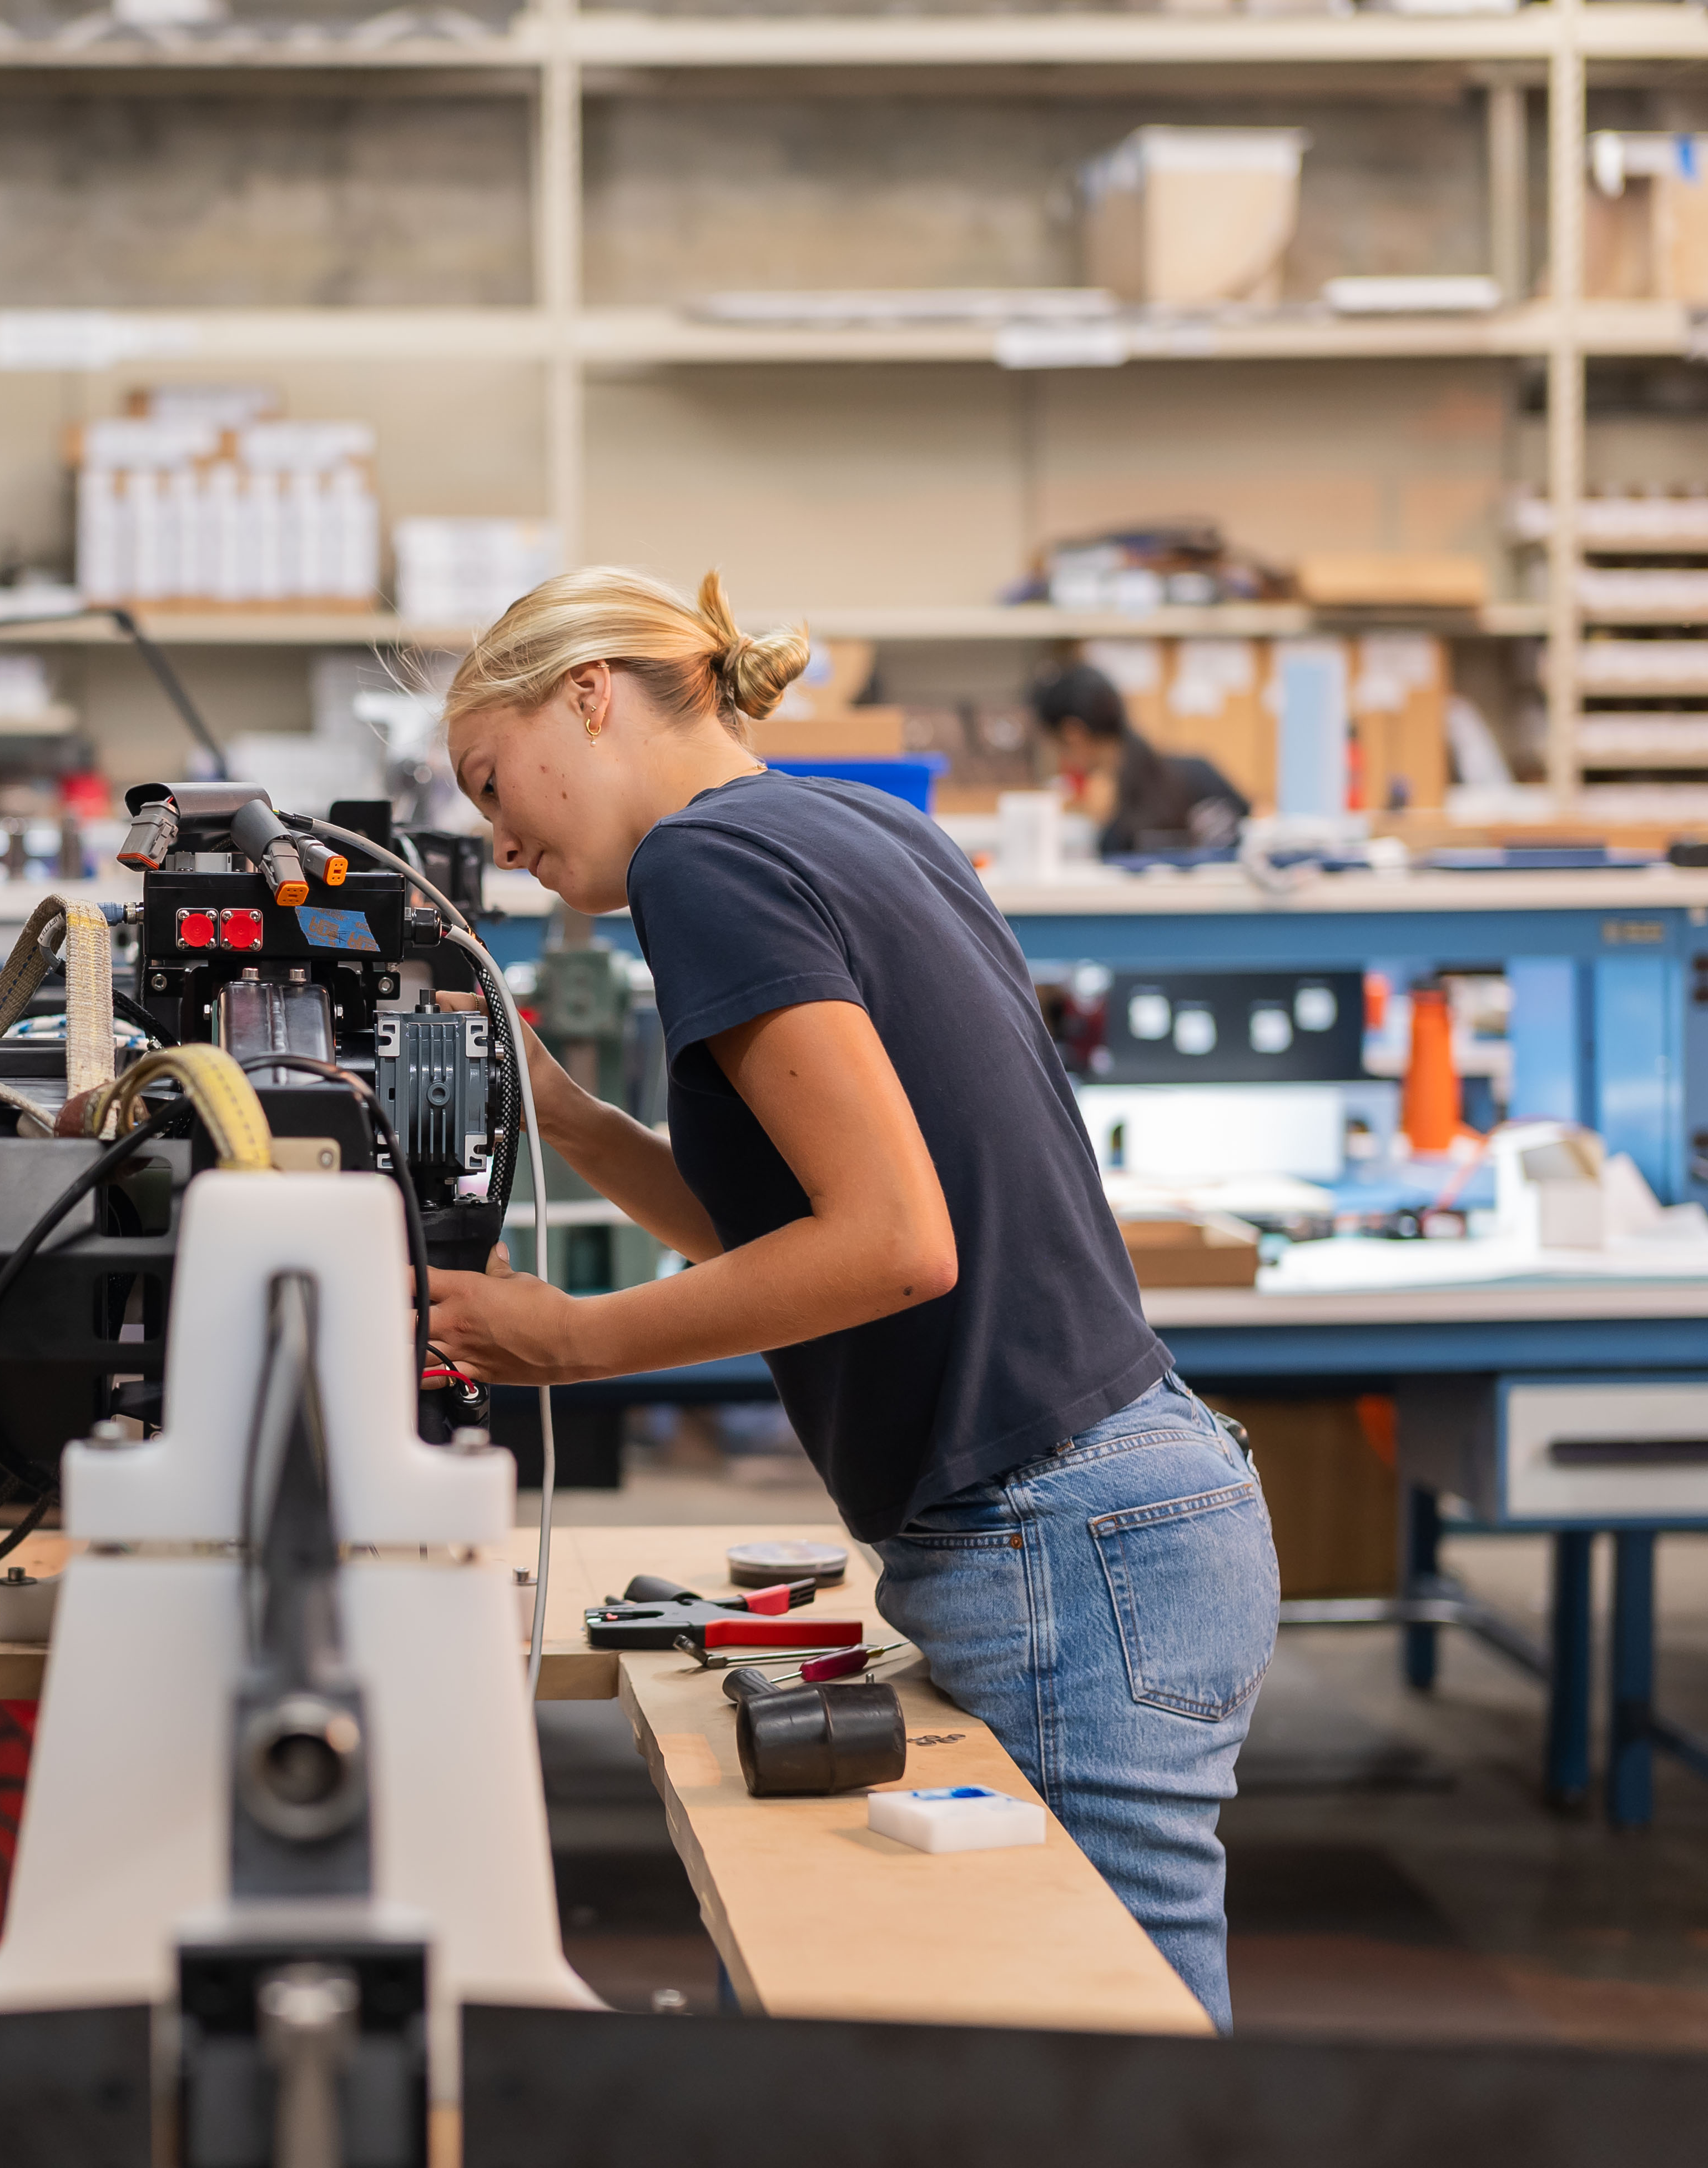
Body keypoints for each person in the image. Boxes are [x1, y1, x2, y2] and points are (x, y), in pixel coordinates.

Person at [424, 569, 1277, 2028]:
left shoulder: (703, 867)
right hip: (1119, 1505)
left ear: (589, 692)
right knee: (1087, 2032)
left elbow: (893, 1246)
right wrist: (566, 1117)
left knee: (1121, 2066)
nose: (498, 843)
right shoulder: (855, 820)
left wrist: (568, 1340)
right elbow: (797, 1229)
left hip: (1059, 1527)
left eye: (493, 782)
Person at [1030, 659, 1248, 855]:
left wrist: (1105, 823)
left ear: (1073, 734)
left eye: (1058, 748)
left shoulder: (1118, 819)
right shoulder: (1202, 773)